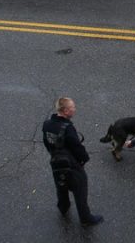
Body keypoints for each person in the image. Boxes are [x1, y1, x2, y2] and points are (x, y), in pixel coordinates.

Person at [42, 97, 104, 227]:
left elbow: (46, 142)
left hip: (55, 161)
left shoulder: (47, 124)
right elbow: (77, 147)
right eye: (72, 108)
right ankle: (85, 218)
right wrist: (84, 158)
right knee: (80, 188)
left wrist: (53, 153)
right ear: (65, 111)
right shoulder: (68, 128)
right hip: (71, 163)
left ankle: (63, 207)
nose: (75, 110)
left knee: (61, 183)